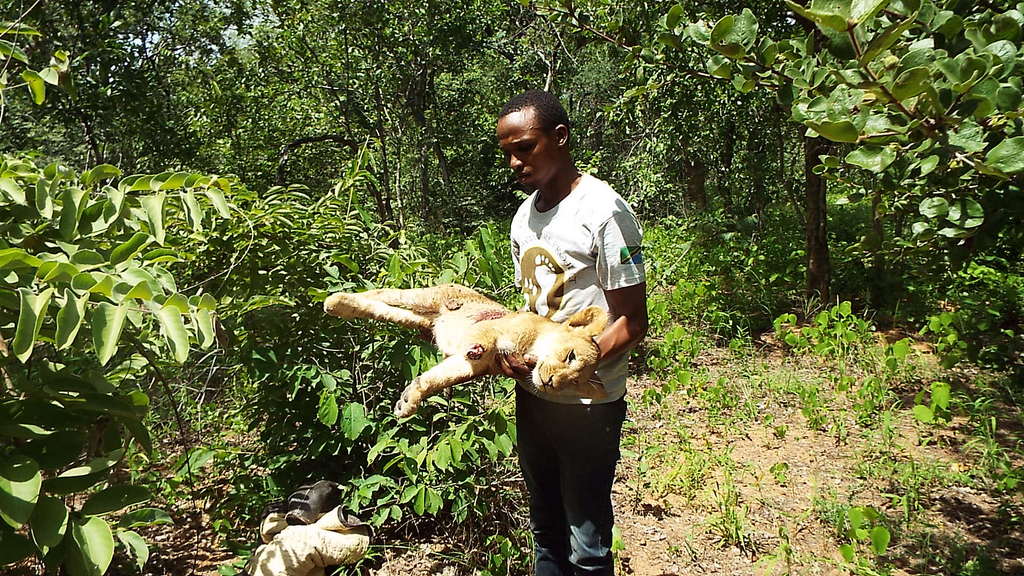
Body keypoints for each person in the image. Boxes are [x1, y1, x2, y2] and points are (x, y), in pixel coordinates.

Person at [495, 89, 648, 576]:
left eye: (525, 147)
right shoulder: (524, 217)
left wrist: (568, 370)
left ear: (560, 138)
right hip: (532, 396)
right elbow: (535, 307)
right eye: (507, 153)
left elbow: (631, 321)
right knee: (544, 530)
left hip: (588, 406)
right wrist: (515, 355)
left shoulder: (604, 212)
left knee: (586, 542)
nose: (516, 162)